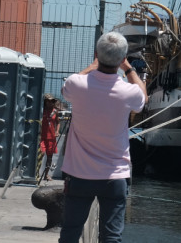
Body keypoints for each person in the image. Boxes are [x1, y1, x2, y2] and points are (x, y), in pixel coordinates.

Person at [58, 31, 147, 243]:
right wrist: (130, 68)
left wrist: (93, 64)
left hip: (79, 175)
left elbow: (69, 86)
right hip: (114, 176)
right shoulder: (128, 92)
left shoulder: (76, 84)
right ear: (123, 57)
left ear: (97, 53)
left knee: (69, 234)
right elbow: (143, 97)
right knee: (111, 237)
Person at [39, 95, 60, 182]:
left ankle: (46, 175)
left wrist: (57, 131)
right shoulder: (41, 110)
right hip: (42, 136)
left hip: (51, 138)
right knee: (41, 154)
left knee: (49, 157)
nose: (49, 103)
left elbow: (58, 122)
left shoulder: (55, 111)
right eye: (48, 101)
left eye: (51, 101)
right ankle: (37, 174)